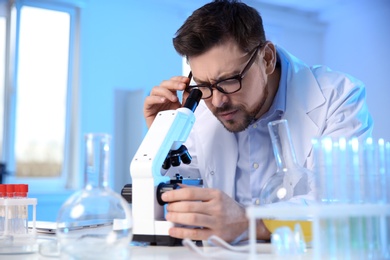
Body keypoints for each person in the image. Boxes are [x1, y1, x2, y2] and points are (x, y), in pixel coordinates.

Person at [143, 0, 373, 244]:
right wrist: (163, 138)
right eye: (204, 85)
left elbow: (343, 204)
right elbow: (180, 197)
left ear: (267, 58)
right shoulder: (199, 107)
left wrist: (250, 223)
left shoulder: (338, 97)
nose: (218, 101)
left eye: (230, 80)